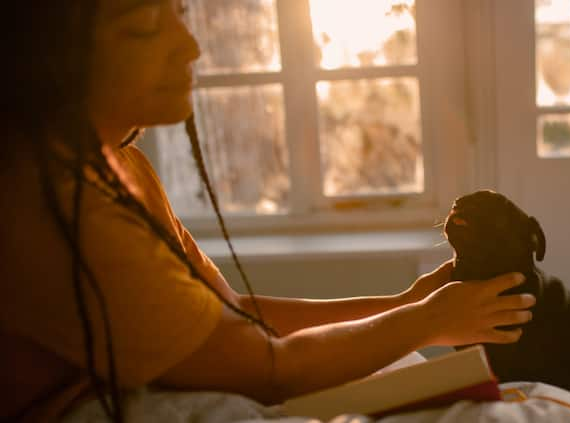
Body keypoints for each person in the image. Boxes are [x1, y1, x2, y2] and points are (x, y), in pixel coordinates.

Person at [0, 1, 536, 422]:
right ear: (48, 59)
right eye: (144, 28)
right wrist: (428, 320)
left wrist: (408, 303)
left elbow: (233, 315)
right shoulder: (51, 206)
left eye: (182, 14)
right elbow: (268, 369)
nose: (189, 47)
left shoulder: (120, 167)